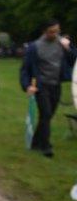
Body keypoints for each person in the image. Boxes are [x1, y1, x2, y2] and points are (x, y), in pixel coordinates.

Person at [19, 19, 75, 158]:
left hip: (56, 85)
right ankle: (46, 147)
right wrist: (27, 86)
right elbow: (25, 69)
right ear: (45, 31)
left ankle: (35, 143)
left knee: (48, 116)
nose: (55, 34)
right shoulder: (35, 47)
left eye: (57, 31)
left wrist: (68, 48)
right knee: (46, 113)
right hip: (41, 85)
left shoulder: (62, 44)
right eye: (52, 32)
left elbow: (74, 61)